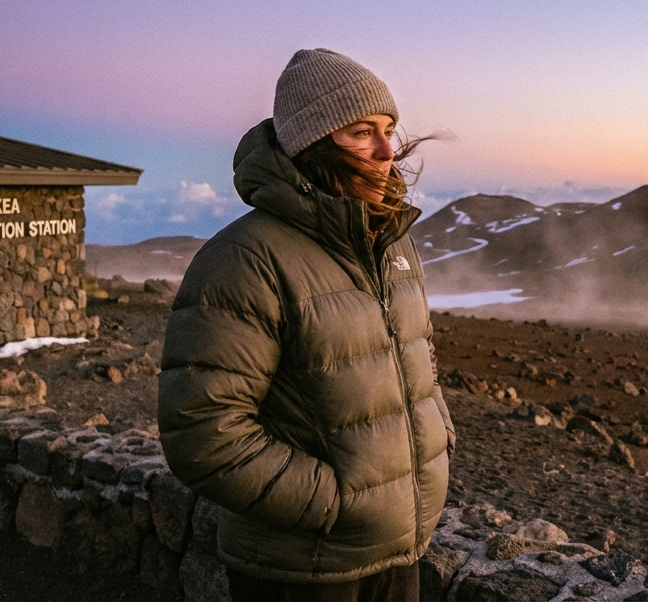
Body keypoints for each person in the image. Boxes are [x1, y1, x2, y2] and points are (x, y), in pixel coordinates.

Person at [158, 48, 454, 602]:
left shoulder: (391, 241)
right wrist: (337, 503)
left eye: (389, 129)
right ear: (313, 142)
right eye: (363, 131)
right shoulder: (246, 259)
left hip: (399, 549)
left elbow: (415, 363)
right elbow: (203, 434)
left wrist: (436, 442)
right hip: (302, 572)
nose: (387, 150)